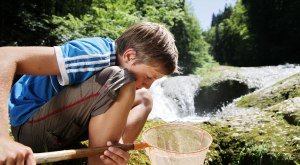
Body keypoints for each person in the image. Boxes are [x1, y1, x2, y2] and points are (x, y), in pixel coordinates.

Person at [0, 21, 179, 165]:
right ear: (130, 56)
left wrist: (117, 149)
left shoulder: (123, 72)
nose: (147, 85)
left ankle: (112, 153)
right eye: (148, 77)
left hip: (63, 127)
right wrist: (2, 139)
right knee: (121, 79)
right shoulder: (92, 53)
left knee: (145, 99)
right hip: (30, 128)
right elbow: (6, 56)